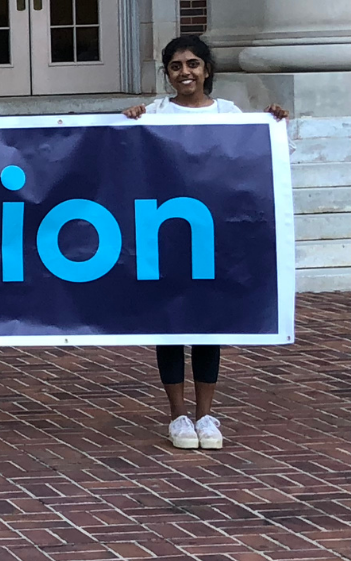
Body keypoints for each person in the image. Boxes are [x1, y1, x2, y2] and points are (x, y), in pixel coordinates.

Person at [123, 34, 287, 451]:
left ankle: (206, 414)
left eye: (193, 64)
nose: (185, 73)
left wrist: (270, 124)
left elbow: (250, 162)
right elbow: (123, 155)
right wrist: (129, 119)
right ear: (167, 73)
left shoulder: (230, 113)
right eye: (176, 66)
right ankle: (177, 414)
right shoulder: (156, 112)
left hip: (212, 235)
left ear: (207, 70)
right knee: (170, 324)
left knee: (208, 323)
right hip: (165, 233)